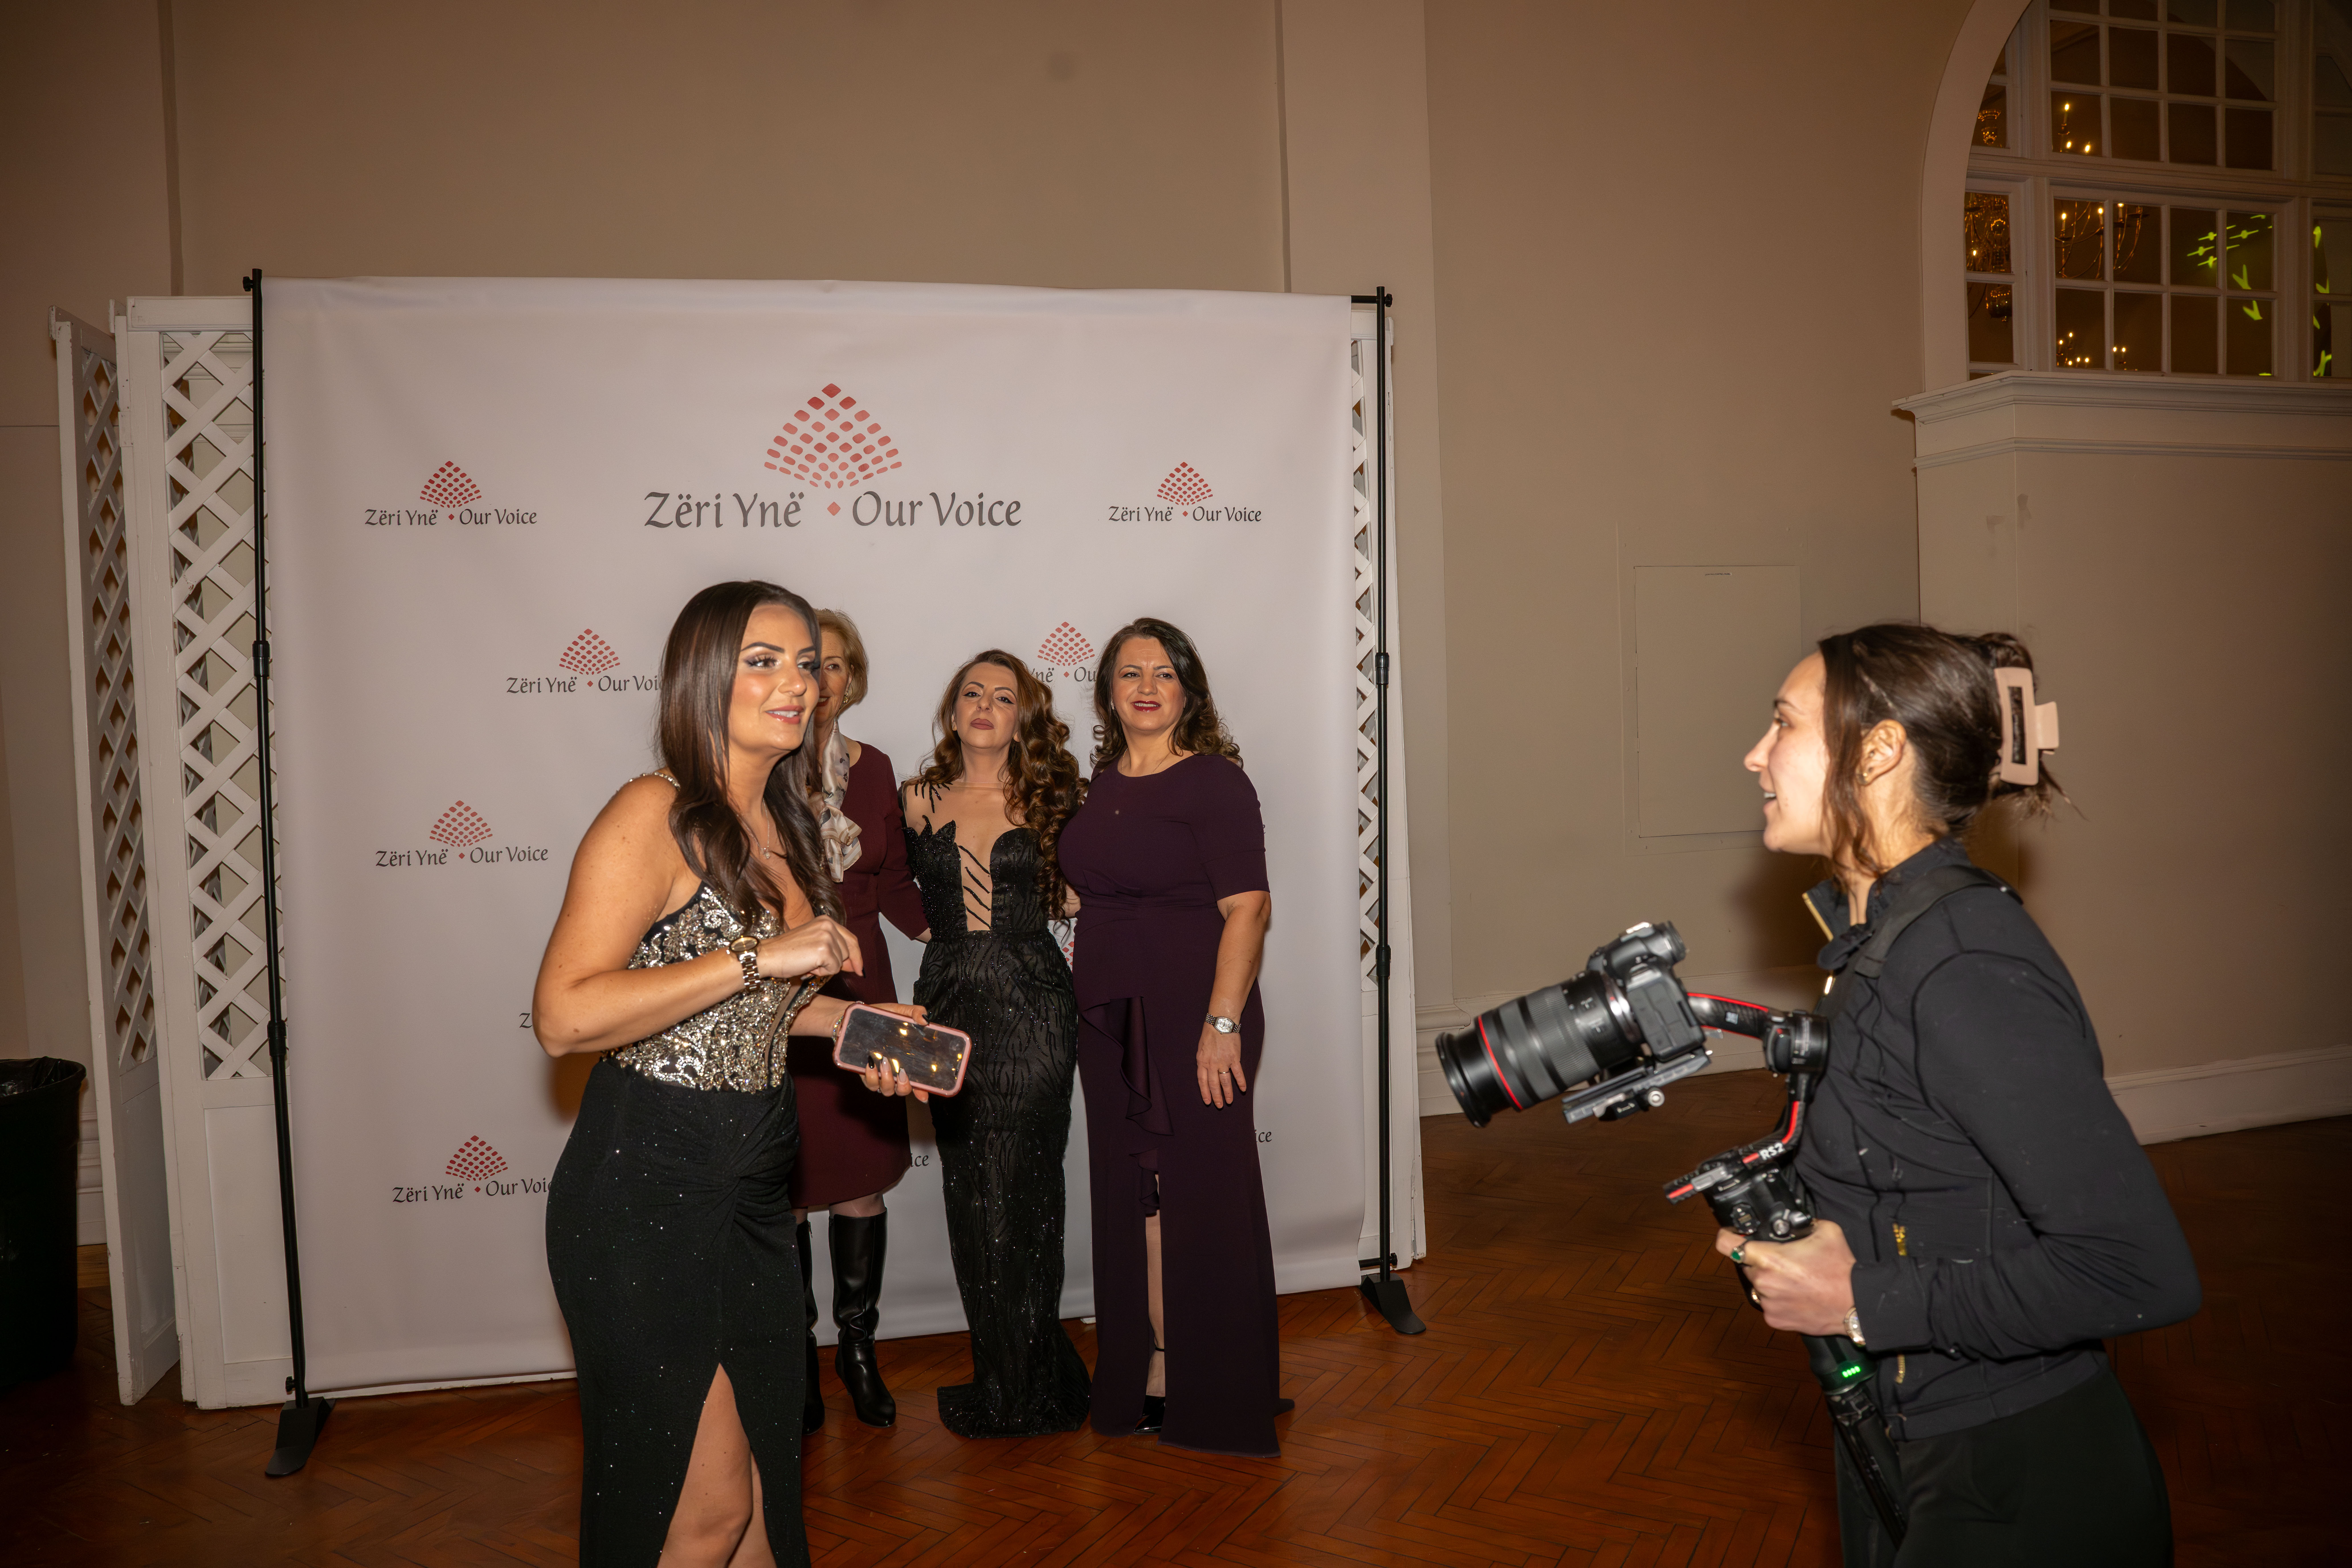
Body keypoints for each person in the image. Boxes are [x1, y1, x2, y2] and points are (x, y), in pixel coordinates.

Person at [1727, 623, 2199, 1568]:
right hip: (1910, 1435)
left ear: (1880, 750)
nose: (1755, 754)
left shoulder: (1964, 966)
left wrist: (1860, 1297)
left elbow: (2137, 1272)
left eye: (1782, 723)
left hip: (2018, 1475)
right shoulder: (1882, 942)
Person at [534, 580, 924, 1568]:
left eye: (806, 662)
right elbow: (564, 1015)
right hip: (646, 1187)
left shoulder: (785, 829)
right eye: (763, 661)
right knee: (697, 1506)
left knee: (753, 1497)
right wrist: (760, 959)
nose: (795, 683)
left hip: (753, 1187)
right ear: (705, 676)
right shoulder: (654, 811)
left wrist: (857, 1025)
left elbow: (760, 1009)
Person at [1057, 618, 1284, 1457]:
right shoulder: (1100, 781)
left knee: (1199, 1197)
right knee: (1136, 1201)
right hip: (1112, 1016)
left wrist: (1221, 1025)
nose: (1146, 686)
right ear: (1109, 693)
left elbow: (1249, 908)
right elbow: (1094, 891)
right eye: (1128, 673)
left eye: (1163, 672)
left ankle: (1211, 1385)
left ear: (1189, 688)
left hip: (1195, 1013)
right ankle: (1153, 1364)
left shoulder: (1215, 782)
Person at [899, 650, 1094, 1438]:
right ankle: (999, 1376)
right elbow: (876, 884)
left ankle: (1036, 1378)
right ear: (954, 711)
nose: (985, 705)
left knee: (1031, 1188)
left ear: (1025, 716)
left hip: (1036, 1000)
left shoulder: (1056, 796)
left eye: (1003, 696)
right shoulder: (915, 800)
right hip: (942, 1001)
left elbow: (1085, 897)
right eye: (972, 693)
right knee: (969, 1194)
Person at [787, 607, 928, 1432]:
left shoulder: (876, 772)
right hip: (788, 998)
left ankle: (860, 1354)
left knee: (864, 1180)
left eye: (837, 665)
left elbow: (899, 882)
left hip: (867, 985)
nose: (825, 680)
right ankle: (796, 1359)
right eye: (812, 664)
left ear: (854, 678)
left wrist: (964, 935)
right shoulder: (757, 767)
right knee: (791, 1191)